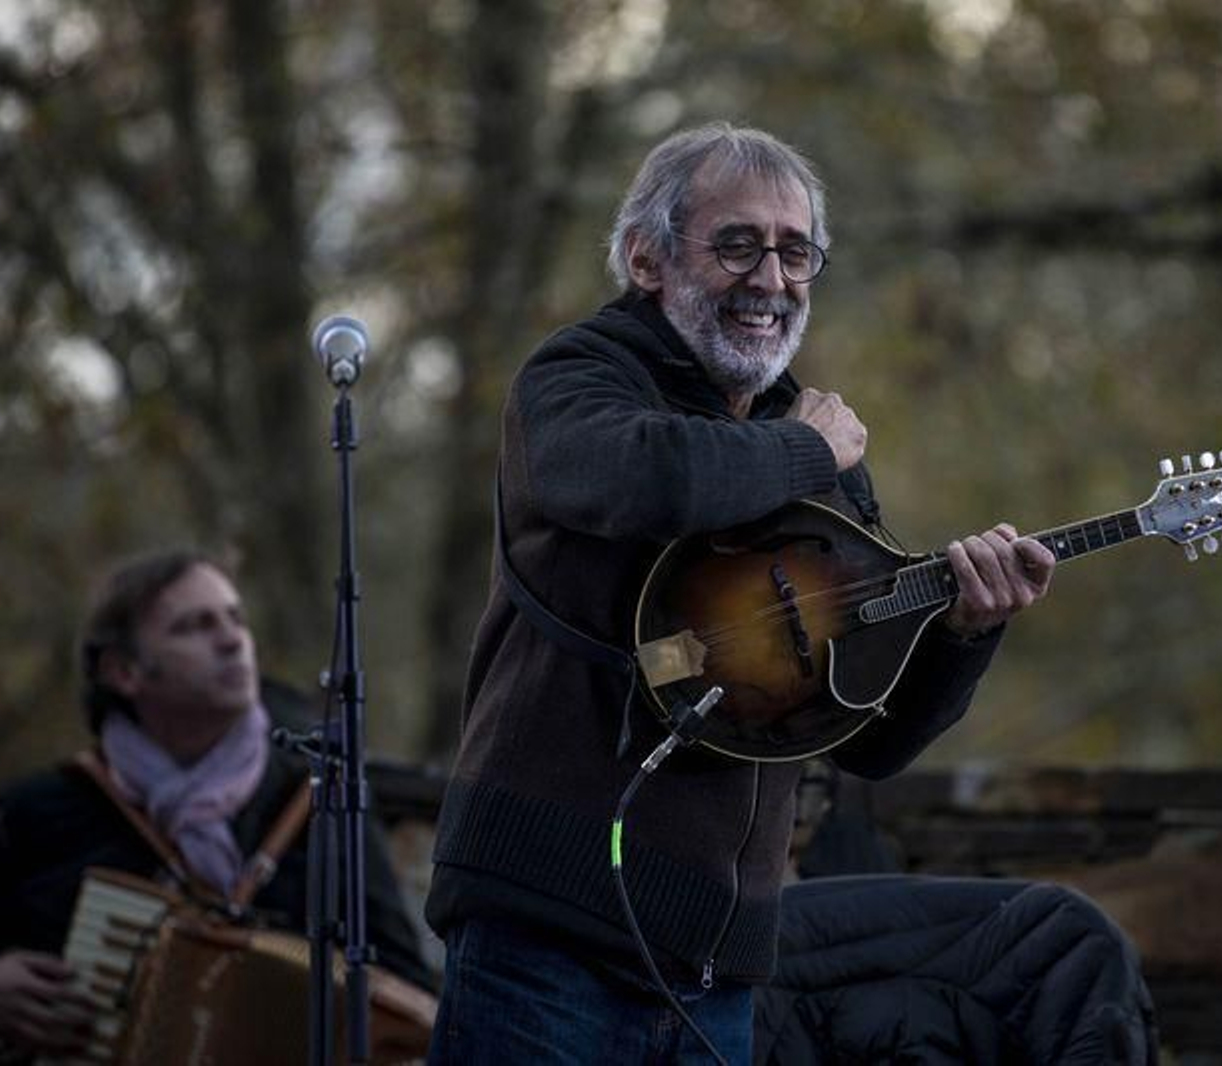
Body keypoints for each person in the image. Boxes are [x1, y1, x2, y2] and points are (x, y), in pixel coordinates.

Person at [423, 122, 1061, 1064]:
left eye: (796, 251)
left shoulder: (815, 452)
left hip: (715, 979)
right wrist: (808, 450)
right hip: (544, 936)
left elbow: (870, 738)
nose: (771, 278)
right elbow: (650, 479)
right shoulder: (579, 378)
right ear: (647, 257)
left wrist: (964, 631)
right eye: (737, 244)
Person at [0, 550, 433, 1063]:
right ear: (124, 671)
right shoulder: (42, 813)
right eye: (193, 627)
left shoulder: (320, 800)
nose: (230, 640)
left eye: (235, 618)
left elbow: (412, 993)